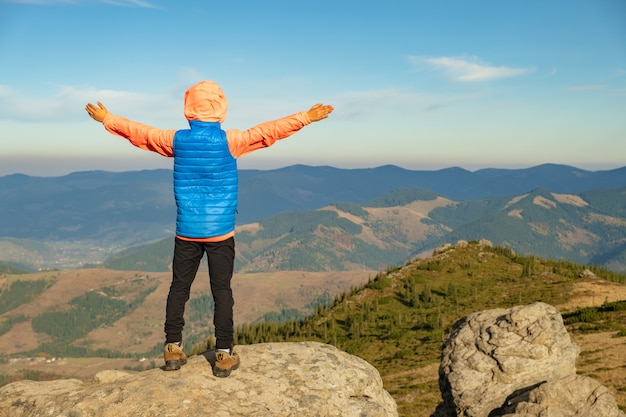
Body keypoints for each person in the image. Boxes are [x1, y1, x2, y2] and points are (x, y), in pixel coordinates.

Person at [85, 80, 333, 377]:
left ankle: (172, 349)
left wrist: (108, 120)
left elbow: (141, 133)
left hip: (186, 232)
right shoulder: (232, 141)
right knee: (222, 291)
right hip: (221, 233)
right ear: (221, 108)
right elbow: (269, 132)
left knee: (179, 288)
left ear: (189, 108)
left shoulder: (176, 140)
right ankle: (225, 355)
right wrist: (305, 117)